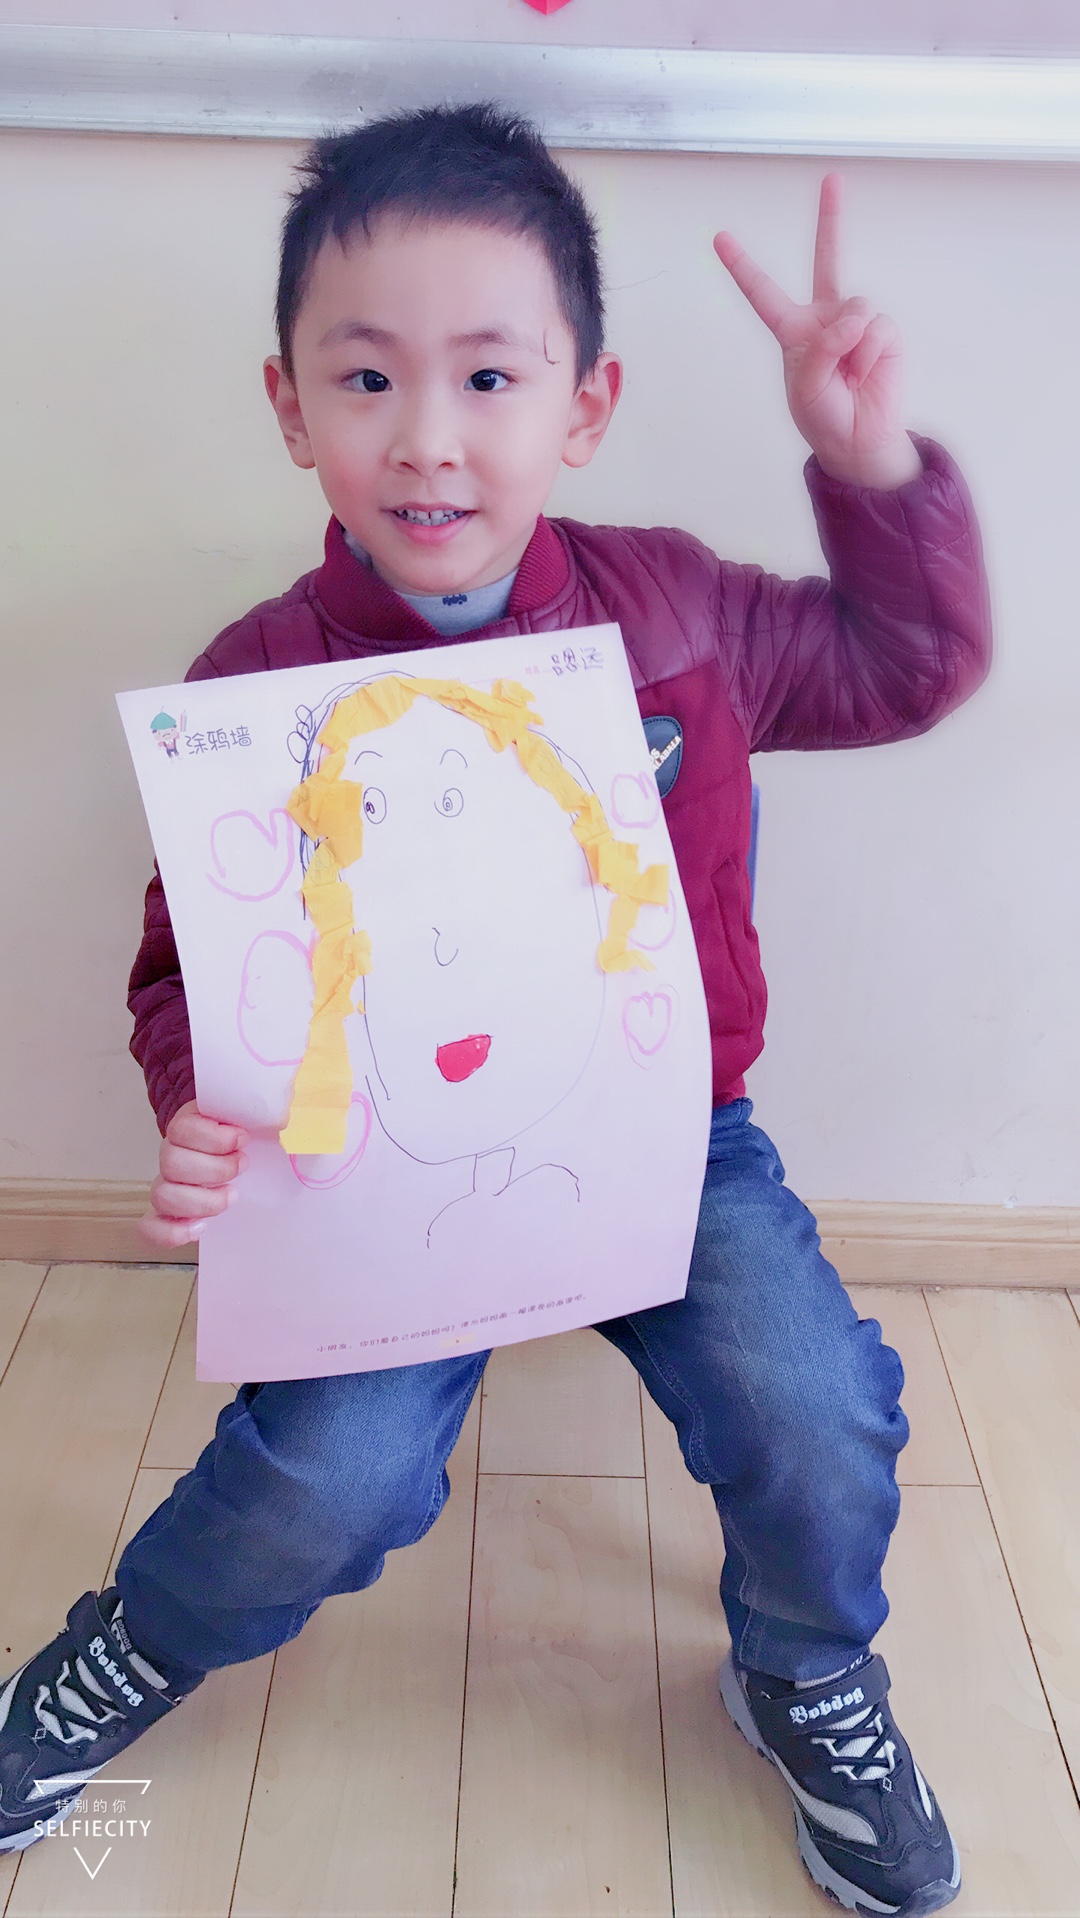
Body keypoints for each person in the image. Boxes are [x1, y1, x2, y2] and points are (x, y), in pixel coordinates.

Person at [0, 104, 989, 1912]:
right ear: (290, 405)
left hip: (672, 1137)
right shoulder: (252, 689)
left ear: (582, 405)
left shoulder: (675, 609)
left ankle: (803, 1667)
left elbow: (906, 667)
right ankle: (130, 1644)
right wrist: (198, 1103)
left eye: (487, 377)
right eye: (366, 378)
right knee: (327, 1475)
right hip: (375, 1171)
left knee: (815, 1404)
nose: (428, 438)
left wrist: (867, 464)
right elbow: (184, 967)